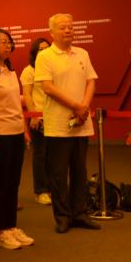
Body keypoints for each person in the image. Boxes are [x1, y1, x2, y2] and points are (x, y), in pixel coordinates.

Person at [34, 13, 99, 234]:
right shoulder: (45, 56)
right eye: (62, 27)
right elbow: (48, 88)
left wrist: (84, 106)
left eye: (70, 26)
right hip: (58, 124)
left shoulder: (82, 53)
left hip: (81, 122)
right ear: (52, 32)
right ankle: (62, 216)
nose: (68, 30)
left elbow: (91, 81)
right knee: (59, 174)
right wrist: (76, 106)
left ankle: (80, 213)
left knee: (80, 171)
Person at [0, 29, 33, 250]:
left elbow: (16, 105)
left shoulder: (10, 71)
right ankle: (1, 230)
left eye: (9, 42)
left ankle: (11, 226)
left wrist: (24, 129)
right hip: (0, 132)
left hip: (15, 131)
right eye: (3, 42)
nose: (8, 45)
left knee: (13, 182)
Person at [21, 38, 52, 205]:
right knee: (40, 155)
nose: (45, 51)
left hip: (54, 117)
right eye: (41, 49)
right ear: (34, 53)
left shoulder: (52, 68)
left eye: (47, 48)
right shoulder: (29, 71)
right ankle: (41, 191)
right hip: (38, 118)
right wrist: (33, 115)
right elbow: (27, 95)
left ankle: (53, 188)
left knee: (55, 156)